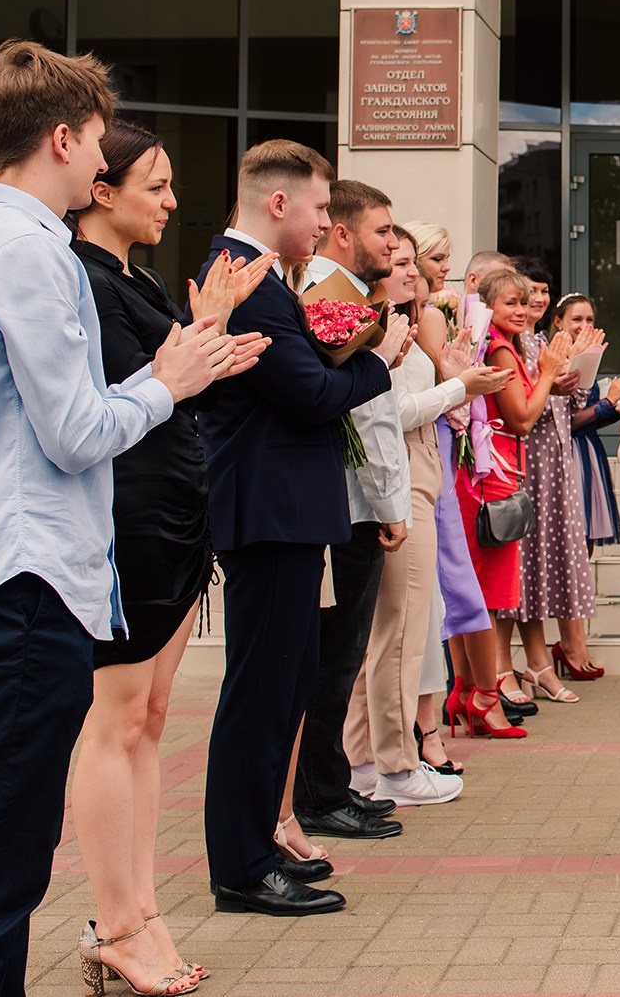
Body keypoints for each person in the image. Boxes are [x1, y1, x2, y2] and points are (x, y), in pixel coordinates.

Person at [0, 41, 254, 997]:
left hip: (2, 580)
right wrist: (167, 379)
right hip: (22, 586)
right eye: (98, 142)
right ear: (61, 138)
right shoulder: (27, 254)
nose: (103, 164)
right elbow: (75, 430)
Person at [70, 119, 275, 994]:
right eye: (155, 185)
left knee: (151, 719)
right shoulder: (77, 279)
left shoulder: (135, 276)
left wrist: (210, 337)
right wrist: (201, 338)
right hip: (122, 519)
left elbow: (173, 380)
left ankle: (142, 909)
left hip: (172, 515)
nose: (172, 201)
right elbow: (122, 394)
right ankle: (115, 921)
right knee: (114, 721)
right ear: (102, 190)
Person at [197, 139, 410, 917]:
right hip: (267, 509)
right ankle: (241, 866)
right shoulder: (244, 281)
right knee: (260, 692)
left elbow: (309, 379)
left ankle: (256, 848)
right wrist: (378, 355)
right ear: (278, 203)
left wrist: (340, 360)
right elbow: (312, 393)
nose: (328, 222)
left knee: (284, 685)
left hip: (285, 509)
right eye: (321, 207)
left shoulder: (263, 280)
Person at [345, 233, 509, 805]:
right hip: (400, 476)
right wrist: (457, 387)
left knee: (398, 629)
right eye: (400, 262)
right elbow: (385, 410)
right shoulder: (375, 329)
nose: (412, 272)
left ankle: (364, 763)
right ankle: (393, 765)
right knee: (401, 631)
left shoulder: (402, 326)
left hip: (419, 469)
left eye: (414, 262)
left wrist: (454, 378)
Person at [293, 180, 413, 842]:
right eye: (383, 232)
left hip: (360, 500)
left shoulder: (355, 297)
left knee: (342, 654)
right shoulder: (327, 295)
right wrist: (389, 501)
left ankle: (328, 783)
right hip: (346, 500)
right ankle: (319, 792)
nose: (393, 244)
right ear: (343, 233)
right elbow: (362, 410)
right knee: (334, 656)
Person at [397, 224, 517, 755]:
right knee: (453, 584)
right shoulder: (421, 315)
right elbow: (432, 388)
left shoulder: (435, 310)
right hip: (434, 448)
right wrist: (459, 383)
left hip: (449, 443)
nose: (444, 267)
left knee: (456, 585)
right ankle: (466, 698)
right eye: (436, 258)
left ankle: (466, 695)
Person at [453, 267, 567, 738]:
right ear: (489, 308)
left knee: (477, 594)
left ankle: (468, 693)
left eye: (525, 302)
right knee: (483, 597)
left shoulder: (502, 340)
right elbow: (521, 418)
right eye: (510, 303)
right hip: (491, 480)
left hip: (494, 474)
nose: (521, 310)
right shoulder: (499, 346)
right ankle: (484, 696)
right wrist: (547, 372)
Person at [501, 257, 599, 701]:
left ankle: (538, 661)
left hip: (555, 462)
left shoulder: (540, 340)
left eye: (539, 294)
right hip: (525, 463)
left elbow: (567, 399)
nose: (533, 302)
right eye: (524, 296)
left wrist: (576, 369)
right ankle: (513, 666)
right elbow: (522, 409)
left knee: (541, 563)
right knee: (522, 564)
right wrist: (549, 380)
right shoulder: (507, 344)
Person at [554, 294, 620, 553]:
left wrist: (614, 409)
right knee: (569, 538)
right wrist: (607, 403)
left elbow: (586, 417)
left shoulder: (590, 357)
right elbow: (565, 422)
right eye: (576, 319)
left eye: (589, 319)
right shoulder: (556, 359)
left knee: (586, 538)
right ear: (558, 322)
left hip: (587, 452)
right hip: (565, 456)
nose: (584, 325)